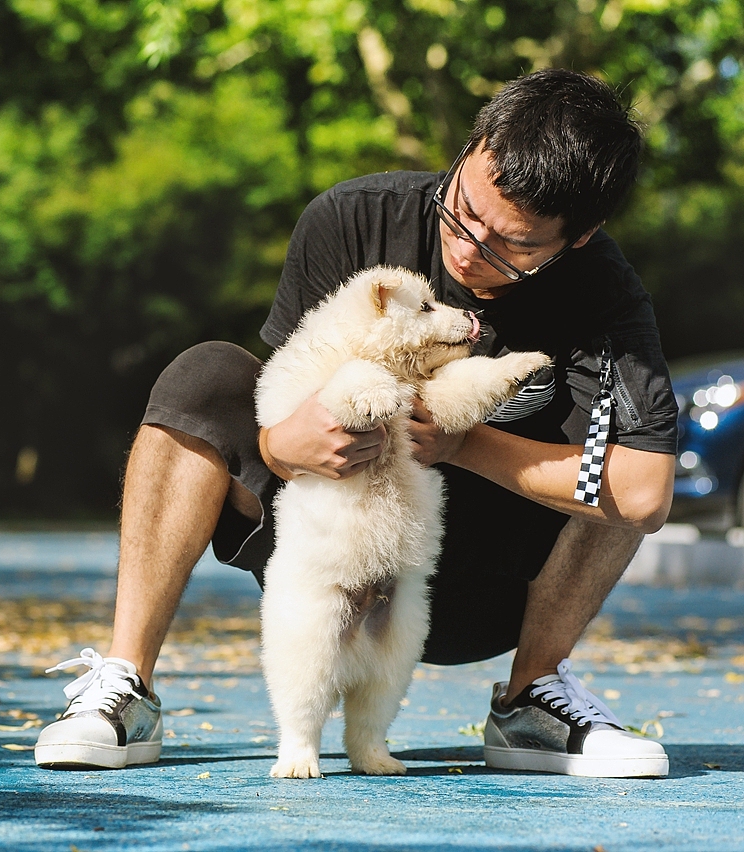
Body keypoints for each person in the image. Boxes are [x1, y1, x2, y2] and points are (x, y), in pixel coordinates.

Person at [34, 69, 677, 777]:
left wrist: (463, 444)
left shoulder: (603, 294)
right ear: (470, 149)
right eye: (464, 211)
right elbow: (287, 390)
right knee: (202, 374)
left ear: (579, 237)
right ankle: (125, 684)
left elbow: (645, 494)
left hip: (484, 585)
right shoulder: (354, 219)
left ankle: (532, 695)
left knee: (621, 469)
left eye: (511, 247)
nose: (469, 249)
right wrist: (280, 446)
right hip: (323, 550)